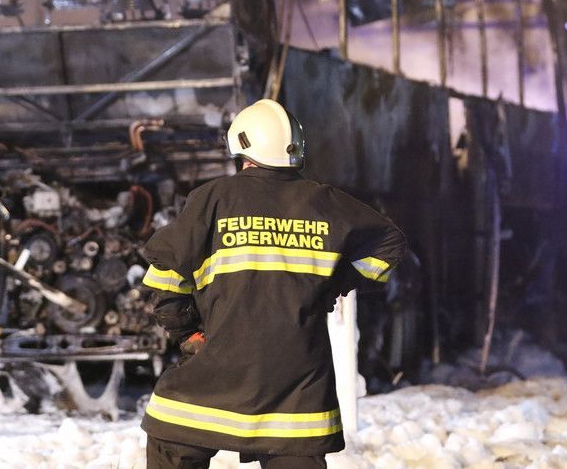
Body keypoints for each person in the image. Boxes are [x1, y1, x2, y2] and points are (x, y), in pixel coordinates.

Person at [140, 99, 406, 467]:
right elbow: (389, 243)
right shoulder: (325, 202)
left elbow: (166, 271)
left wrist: (186, 333)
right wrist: (332, 283)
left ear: (242, 147)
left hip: (214, 376)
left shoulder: (213, 199)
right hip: (298, 394)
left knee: (170, 432)